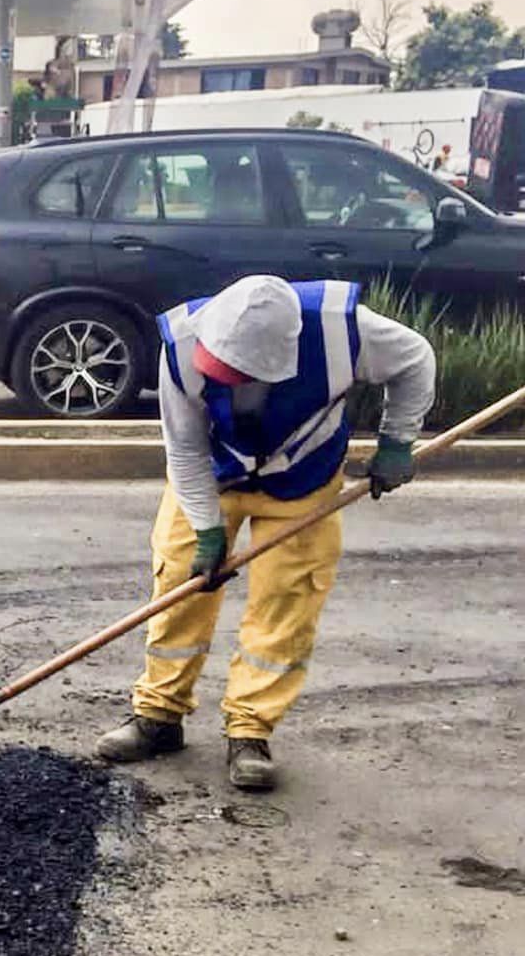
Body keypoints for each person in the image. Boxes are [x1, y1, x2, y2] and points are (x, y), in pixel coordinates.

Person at [97, 273, 435, 791]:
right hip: (211, 476)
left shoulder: (345, 331)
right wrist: (208, 533)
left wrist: (397, 441)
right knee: (178, 588)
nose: (219, 376)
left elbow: (416, 361)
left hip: (303, 482)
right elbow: (185, 449)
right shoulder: (184, 343)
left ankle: (250, 731)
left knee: (285, 602)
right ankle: (158, 717)